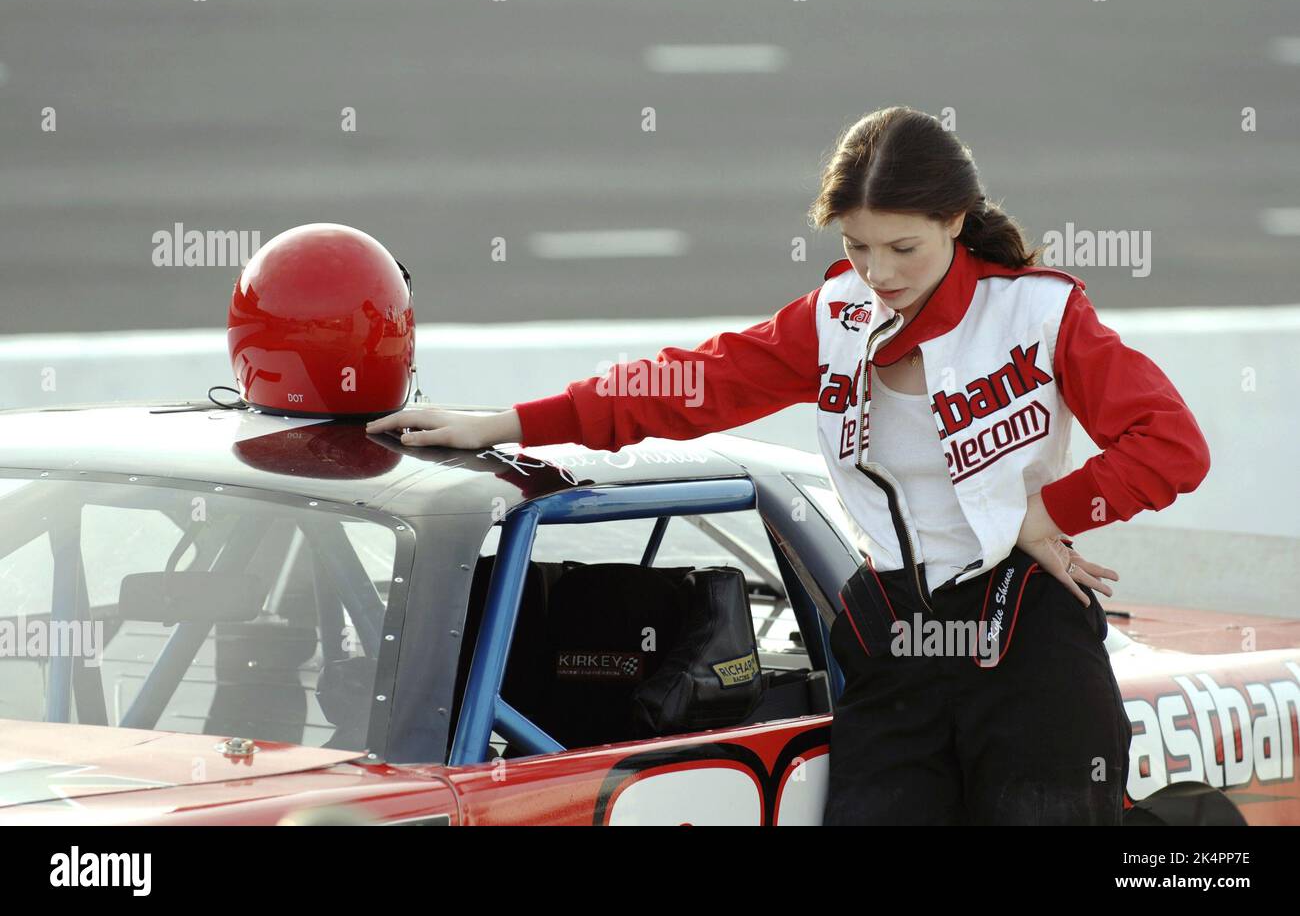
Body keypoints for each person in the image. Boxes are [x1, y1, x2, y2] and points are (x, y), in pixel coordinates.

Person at [366, 106, 1211, 825]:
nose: (879, 275)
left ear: (958, 221)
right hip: (893, 637)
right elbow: (679, 388)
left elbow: (1173, 446)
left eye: (903, 249)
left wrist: (1048, 512)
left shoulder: (1039, 310)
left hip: (1030, 640)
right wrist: (513, 420)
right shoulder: (833, 316)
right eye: (858, 246)